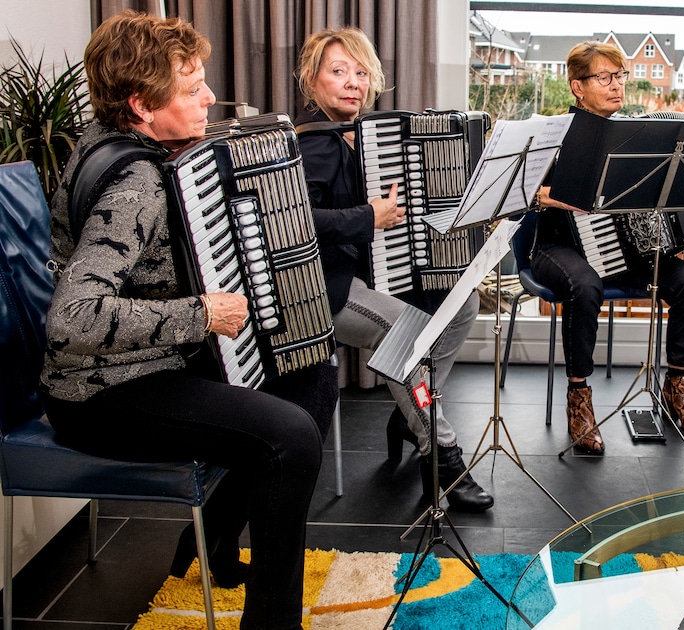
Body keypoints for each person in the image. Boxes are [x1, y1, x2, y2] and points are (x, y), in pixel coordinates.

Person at [39, 11, 318, 629]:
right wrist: (200, 312)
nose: (210, 98)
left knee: (310, 378)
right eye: (192, 89)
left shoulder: (102, 140)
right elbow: (72, 320)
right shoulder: (136, 179)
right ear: (141, 105)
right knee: (290, 437)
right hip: (102, 391)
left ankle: (213, 545)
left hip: (145, 364)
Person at [294, 27, 493, 511]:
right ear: (311, 79)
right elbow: (297, 224)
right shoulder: (311, 143)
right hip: (319, 287)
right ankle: (442, 459)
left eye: (361, 74)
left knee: (461, 302)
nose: (352, 84)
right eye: (338, 72)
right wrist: (370, 217)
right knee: (405, 336)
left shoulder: (361, 136)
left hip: (365, 269)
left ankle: (412, 416)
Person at [529, 41, 684, 454]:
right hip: (556, 245)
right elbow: (523, 193)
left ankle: (676, 385)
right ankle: (579, 397)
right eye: (604, 77)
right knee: (585, 285)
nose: (616, 86)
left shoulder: (640, 135)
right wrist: (562, 195)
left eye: (620, 77)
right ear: (577, 86)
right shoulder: (553, 133)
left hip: (629, 250)